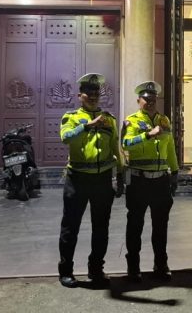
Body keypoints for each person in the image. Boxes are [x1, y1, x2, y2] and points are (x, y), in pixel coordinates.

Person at [57, 73, 124, 288]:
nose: (93, 97)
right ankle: (66, 271)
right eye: (89, 93)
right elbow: (65, 138)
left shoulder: (109, 119)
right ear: (80, 96)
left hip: (102, 181)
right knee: (70, 227)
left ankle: (96, 270)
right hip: (77, 179)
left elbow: (115, 149)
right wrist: (87, 126)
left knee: (101, 228)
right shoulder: (71, 117)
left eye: (96, 93)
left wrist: (120, 175)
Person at [121, 81, 179, 282]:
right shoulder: (131, 121)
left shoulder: (164, 121)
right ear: (139, 100)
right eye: (146, 99)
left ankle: (161, 264)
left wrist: (175, 171)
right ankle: (133, 267)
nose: (150, 102)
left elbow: (170, 147)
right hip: (139, 181)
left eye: (153, 99)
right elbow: (126, 144)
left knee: (161, 226)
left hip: (161, 181)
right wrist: (147, 135)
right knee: (135, 225)